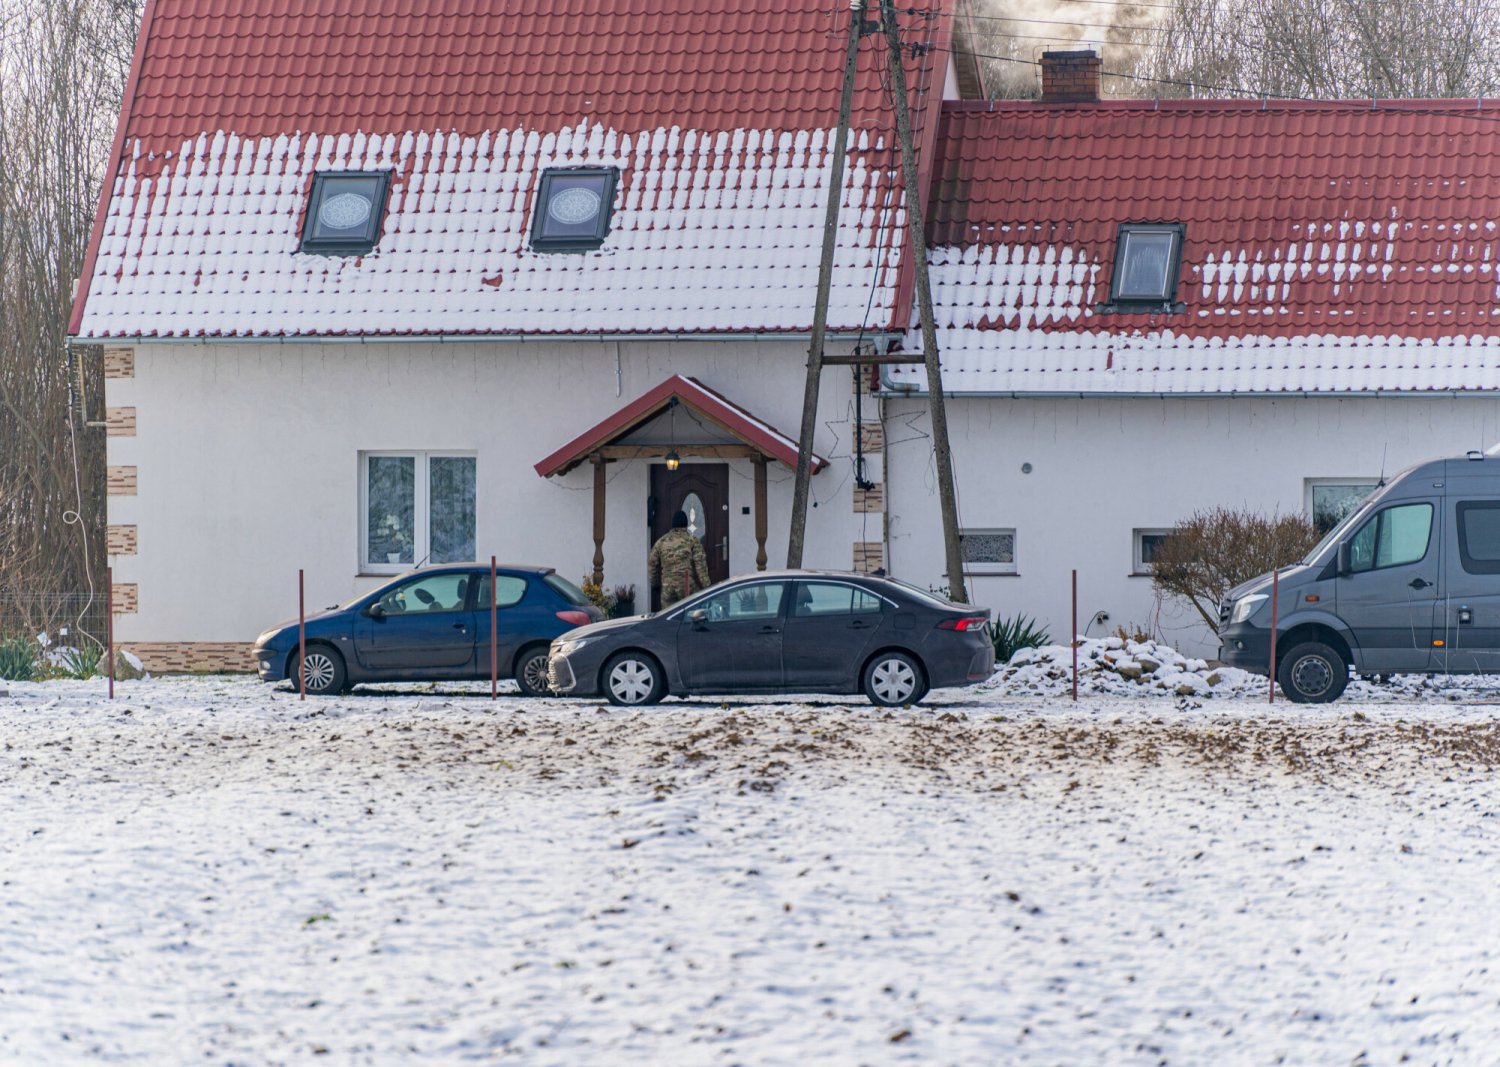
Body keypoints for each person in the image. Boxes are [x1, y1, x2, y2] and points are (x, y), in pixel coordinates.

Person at [648, 509, 711, 608]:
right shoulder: (692, 541)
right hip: (686, 585)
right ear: (686, 524)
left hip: (667, 587)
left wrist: (655, 584)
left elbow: (652, 564)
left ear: (673, 524)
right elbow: (700, 566)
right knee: (691, 614)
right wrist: (707, 587)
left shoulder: (661, 542)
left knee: (668, 616)